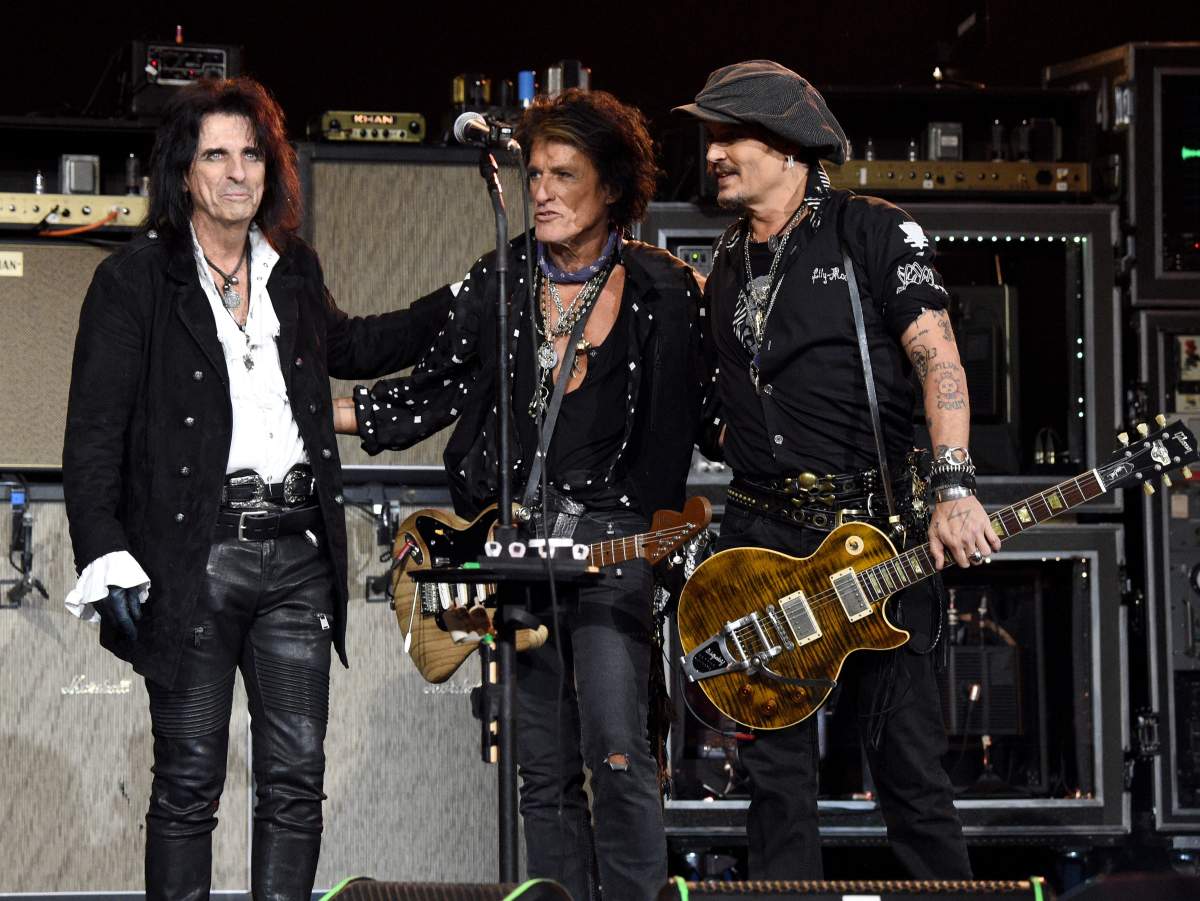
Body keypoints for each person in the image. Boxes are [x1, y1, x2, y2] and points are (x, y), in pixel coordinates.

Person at [62, 77, 442, 900]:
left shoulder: (292, 269)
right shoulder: (136, 282)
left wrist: (460, 301)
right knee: (190, 780)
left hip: (297, 554)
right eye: (217, 156)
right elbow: (91, 441)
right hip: (195, 556)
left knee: (296, 780)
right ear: (185, 173)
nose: (238, 173)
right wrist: (106, 553)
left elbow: (357, 343)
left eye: (252, 154)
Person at [333, 88, 711, 901]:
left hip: (616, 547)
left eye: (563, 174)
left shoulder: (667, 290)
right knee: (540, 769)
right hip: (522, 545)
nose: (540, 189)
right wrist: (292, 408)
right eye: (533, 171)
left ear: (611, 187)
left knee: (616, 749)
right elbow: (422, 393)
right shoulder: (499, 280)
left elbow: (721, 415)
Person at [673, 60, 1001, 880]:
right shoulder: (725, 265)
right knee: (775, 784)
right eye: (708, 134)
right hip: (763, 544)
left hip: (876, 535)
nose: (713, 151)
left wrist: (955, 487)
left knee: (909, 772)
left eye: (731, 134)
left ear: (790, 145)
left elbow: (940, 361)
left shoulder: (872, 230)